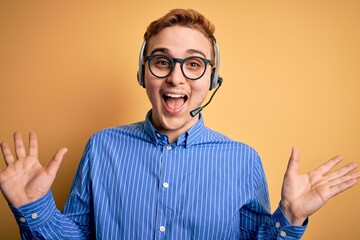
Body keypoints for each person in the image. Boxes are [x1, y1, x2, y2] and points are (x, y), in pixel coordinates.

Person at [0, 8, 359, 240]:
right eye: (161, 61)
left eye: (193, 64)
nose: (176, 78)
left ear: (212, 78)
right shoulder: (102, 146)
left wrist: (290, 219)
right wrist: (35, 208)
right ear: (143, 72)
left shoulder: (243, 159)